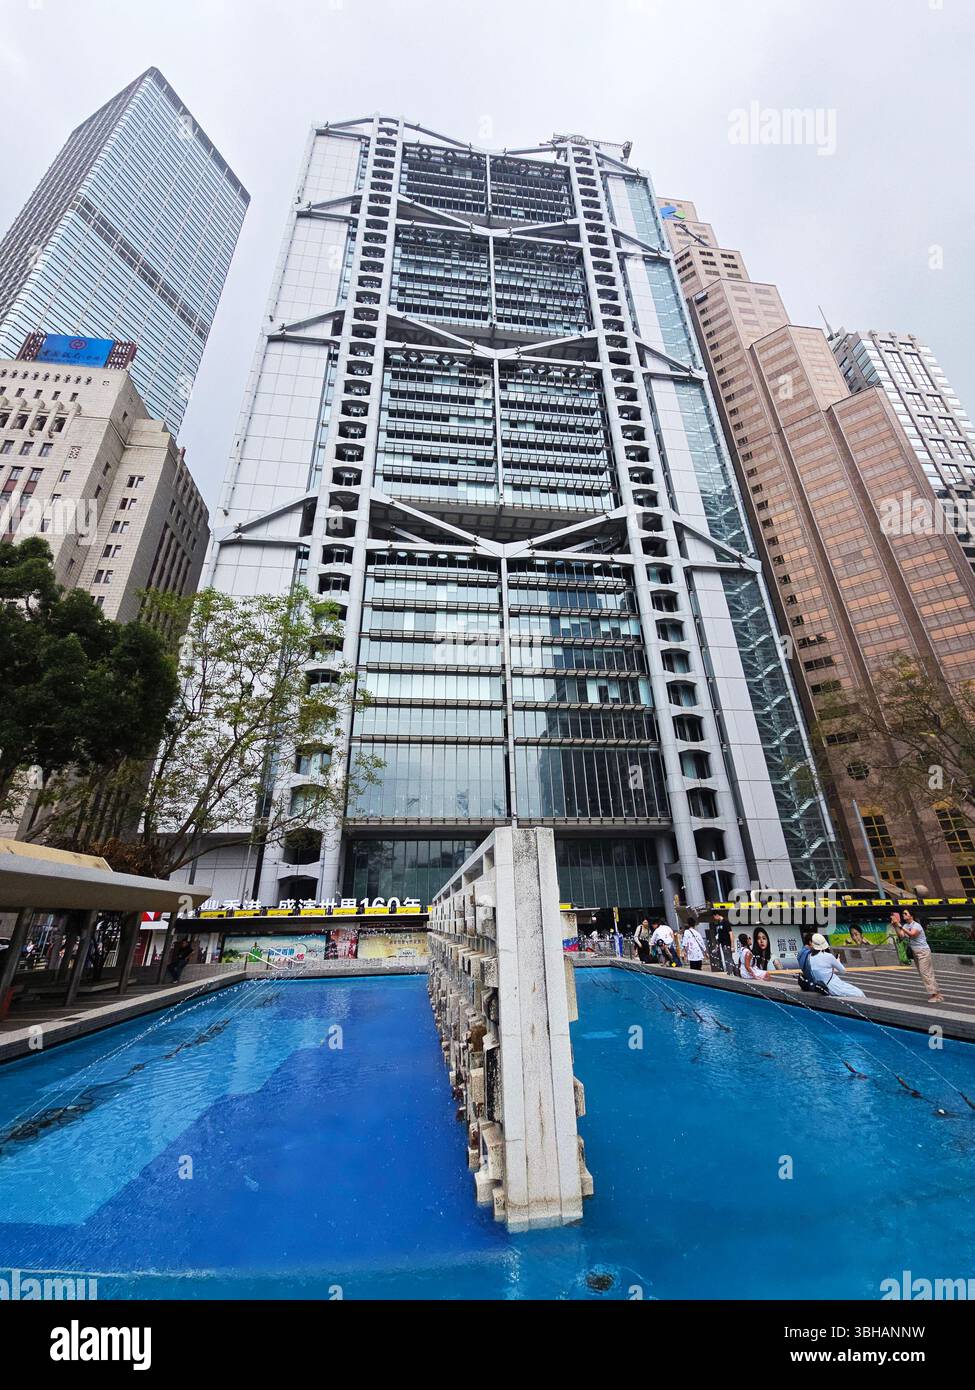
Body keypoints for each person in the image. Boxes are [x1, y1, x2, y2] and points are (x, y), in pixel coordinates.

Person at [890, 910, 944, 1003]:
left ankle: (936, 995)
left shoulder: (916, 926)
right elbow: (902, 936)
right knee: (924, 973)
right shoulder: (906, 926)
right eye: (903, 914)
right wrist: (895, 925)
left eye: (906, 913)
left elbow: (912, 934)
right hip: (915, 952)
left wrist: (899, 925)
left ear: (912, 916)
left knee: (925, 973)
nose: (903, 915)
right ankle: (937, 994)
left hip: (923, 951)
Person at [807, 932, 865, 998]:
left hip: (822, 987)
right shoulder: (829, 956)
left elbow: (821, 970)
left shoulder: (809, 957)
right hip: (834, 986)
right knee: (859, 993)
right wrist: (837, 961)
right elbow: (843, 971)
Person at [711, 910, 735, 975]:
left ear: (717, 915)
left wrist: (732, 946)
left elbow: (731, 933)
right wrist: (717, 947)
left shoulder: (725, 922)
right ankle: (735, 972)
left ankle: (730, 973)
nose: (714, 918)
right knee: (728, 958)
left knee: (728, 959)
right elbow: (719, 937)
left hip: (727, 944)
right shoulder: (719, 924)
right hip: (722, 944)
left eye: (714, 917)